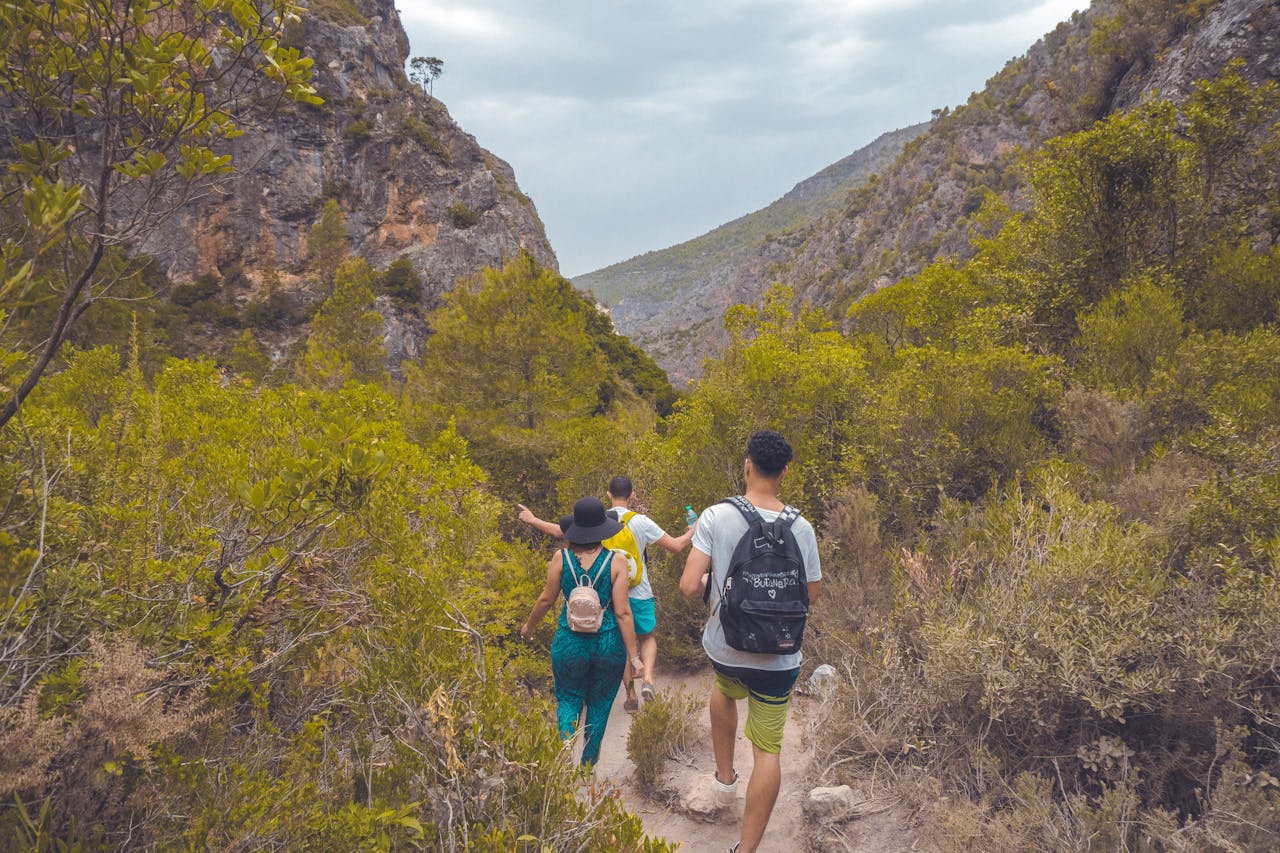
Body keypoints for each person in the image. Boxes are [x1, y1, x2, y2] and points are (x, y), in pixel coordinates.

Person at [678, 431, 822, 853]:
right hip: (780, 657)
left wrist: (714, 585)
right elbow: (810, 596)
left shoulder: (715, 516)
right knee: (768, 751)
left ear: (747, 465)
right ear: (785, 473)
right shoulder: (803, 527)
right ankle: (747, 848)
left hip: (727, 649)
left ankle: (725, 782)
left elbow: (688, 586)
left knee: (724, 692)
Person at [518, 475, 694, 710]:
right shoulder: (641, 522)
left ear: (609, 494)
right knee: (648, 637)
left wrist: (531, 519)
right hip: (640, 592)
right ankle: (649, 679)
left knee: (620, 642)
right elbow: (676, 545)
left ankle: (630, 695)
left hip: (609, 595)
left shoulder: (597, 523)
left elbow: (560, 531)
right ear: (631, 495)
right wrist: (694, 529)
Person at [520, 496, 644, 766]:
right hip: (607, 645)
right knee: (599, 707)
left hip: (569, 643)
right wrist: (634, 658)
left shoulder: (560, 558)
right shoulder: (617, 562)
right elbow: (623, 612)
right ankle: (588, 771)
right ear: (602, 530)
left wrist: (529, 626)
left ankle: (564, 753)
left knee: (568, 699)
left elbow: (546, 599)